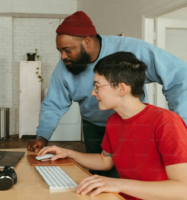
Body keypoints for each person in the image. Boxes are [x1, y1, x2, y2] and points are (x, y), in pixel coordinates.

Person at [27, 11, 187, 178]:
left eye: (68, 50)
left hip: (134, 125)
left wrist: (180, 127)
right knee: (100, 175)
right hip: (99, 126)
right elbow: (53, 104)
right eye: (60, 50)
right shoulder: (66, 66)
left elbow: (180, 75)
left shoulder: (132, 50)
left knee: (135, 173)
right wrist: (44, 137)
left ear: (87, 41)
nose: (62, 56)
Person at [37, 52, 187, 200]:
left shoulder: (166, 123)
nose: (93, 93)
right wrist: (69, 153)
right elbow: (105, 162)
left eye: (97, 86)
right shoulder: (114, 121)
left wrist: (119, 184)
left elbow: (183, 189)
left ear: (121, 89)